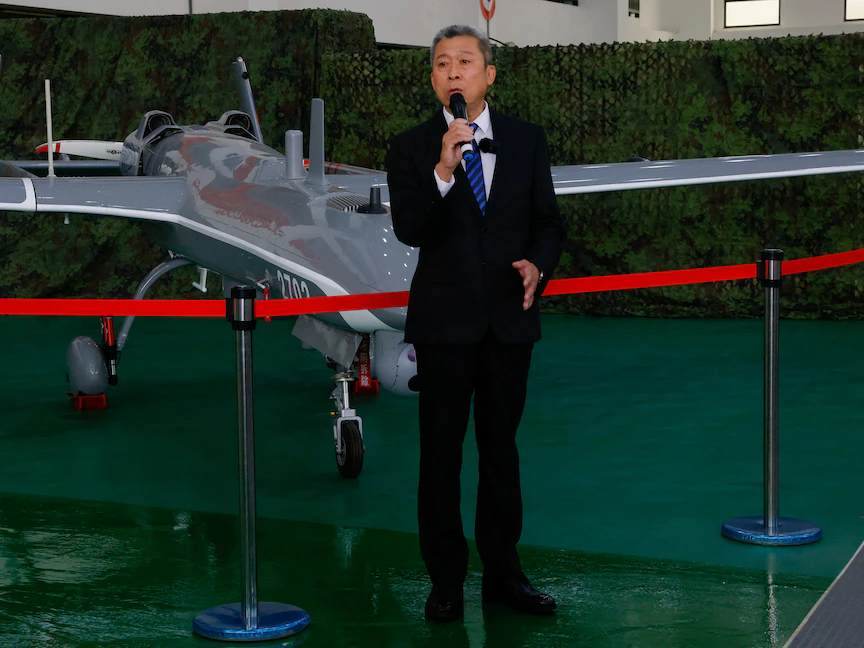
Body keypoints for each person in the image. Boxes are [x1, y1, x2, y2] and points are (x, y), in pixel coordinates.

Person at [385, 24, 565, 621]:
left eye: (465, 61)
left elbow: (548, 223)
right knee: (439, 456)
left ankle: (504, 575)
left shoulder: (527, 139)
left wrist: (539, 264)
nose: (453, 71)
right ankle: (445, 582)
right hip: (443, 325)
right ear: (433, 79)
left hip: (510, 321)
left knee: (501, 453)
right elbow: (410, 228)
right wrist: (442, 171)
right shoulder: (411, 147)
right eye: (442, 64)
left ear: (489, 74)